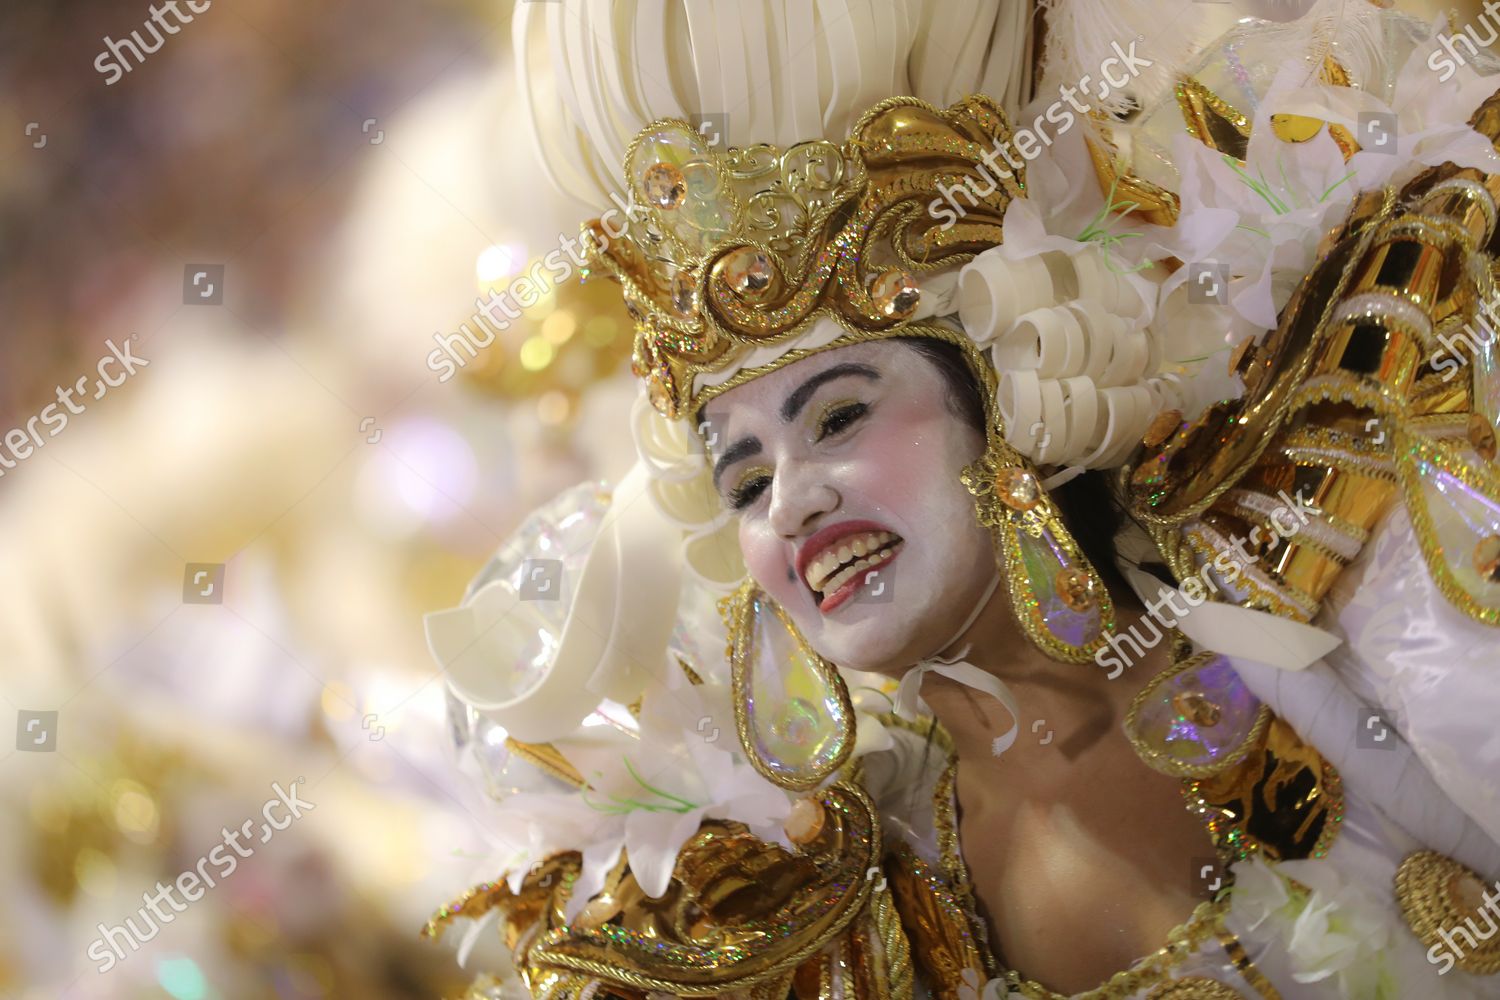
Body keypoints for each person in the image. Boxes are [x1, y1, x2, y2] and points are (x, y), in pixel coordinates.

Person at [423, 1, 1500, 996]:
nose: (791, 502)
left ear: (1001, 396)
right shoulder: (842, 908)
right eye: (744, 481)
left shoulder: (1319, 592)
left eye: (839, 418)